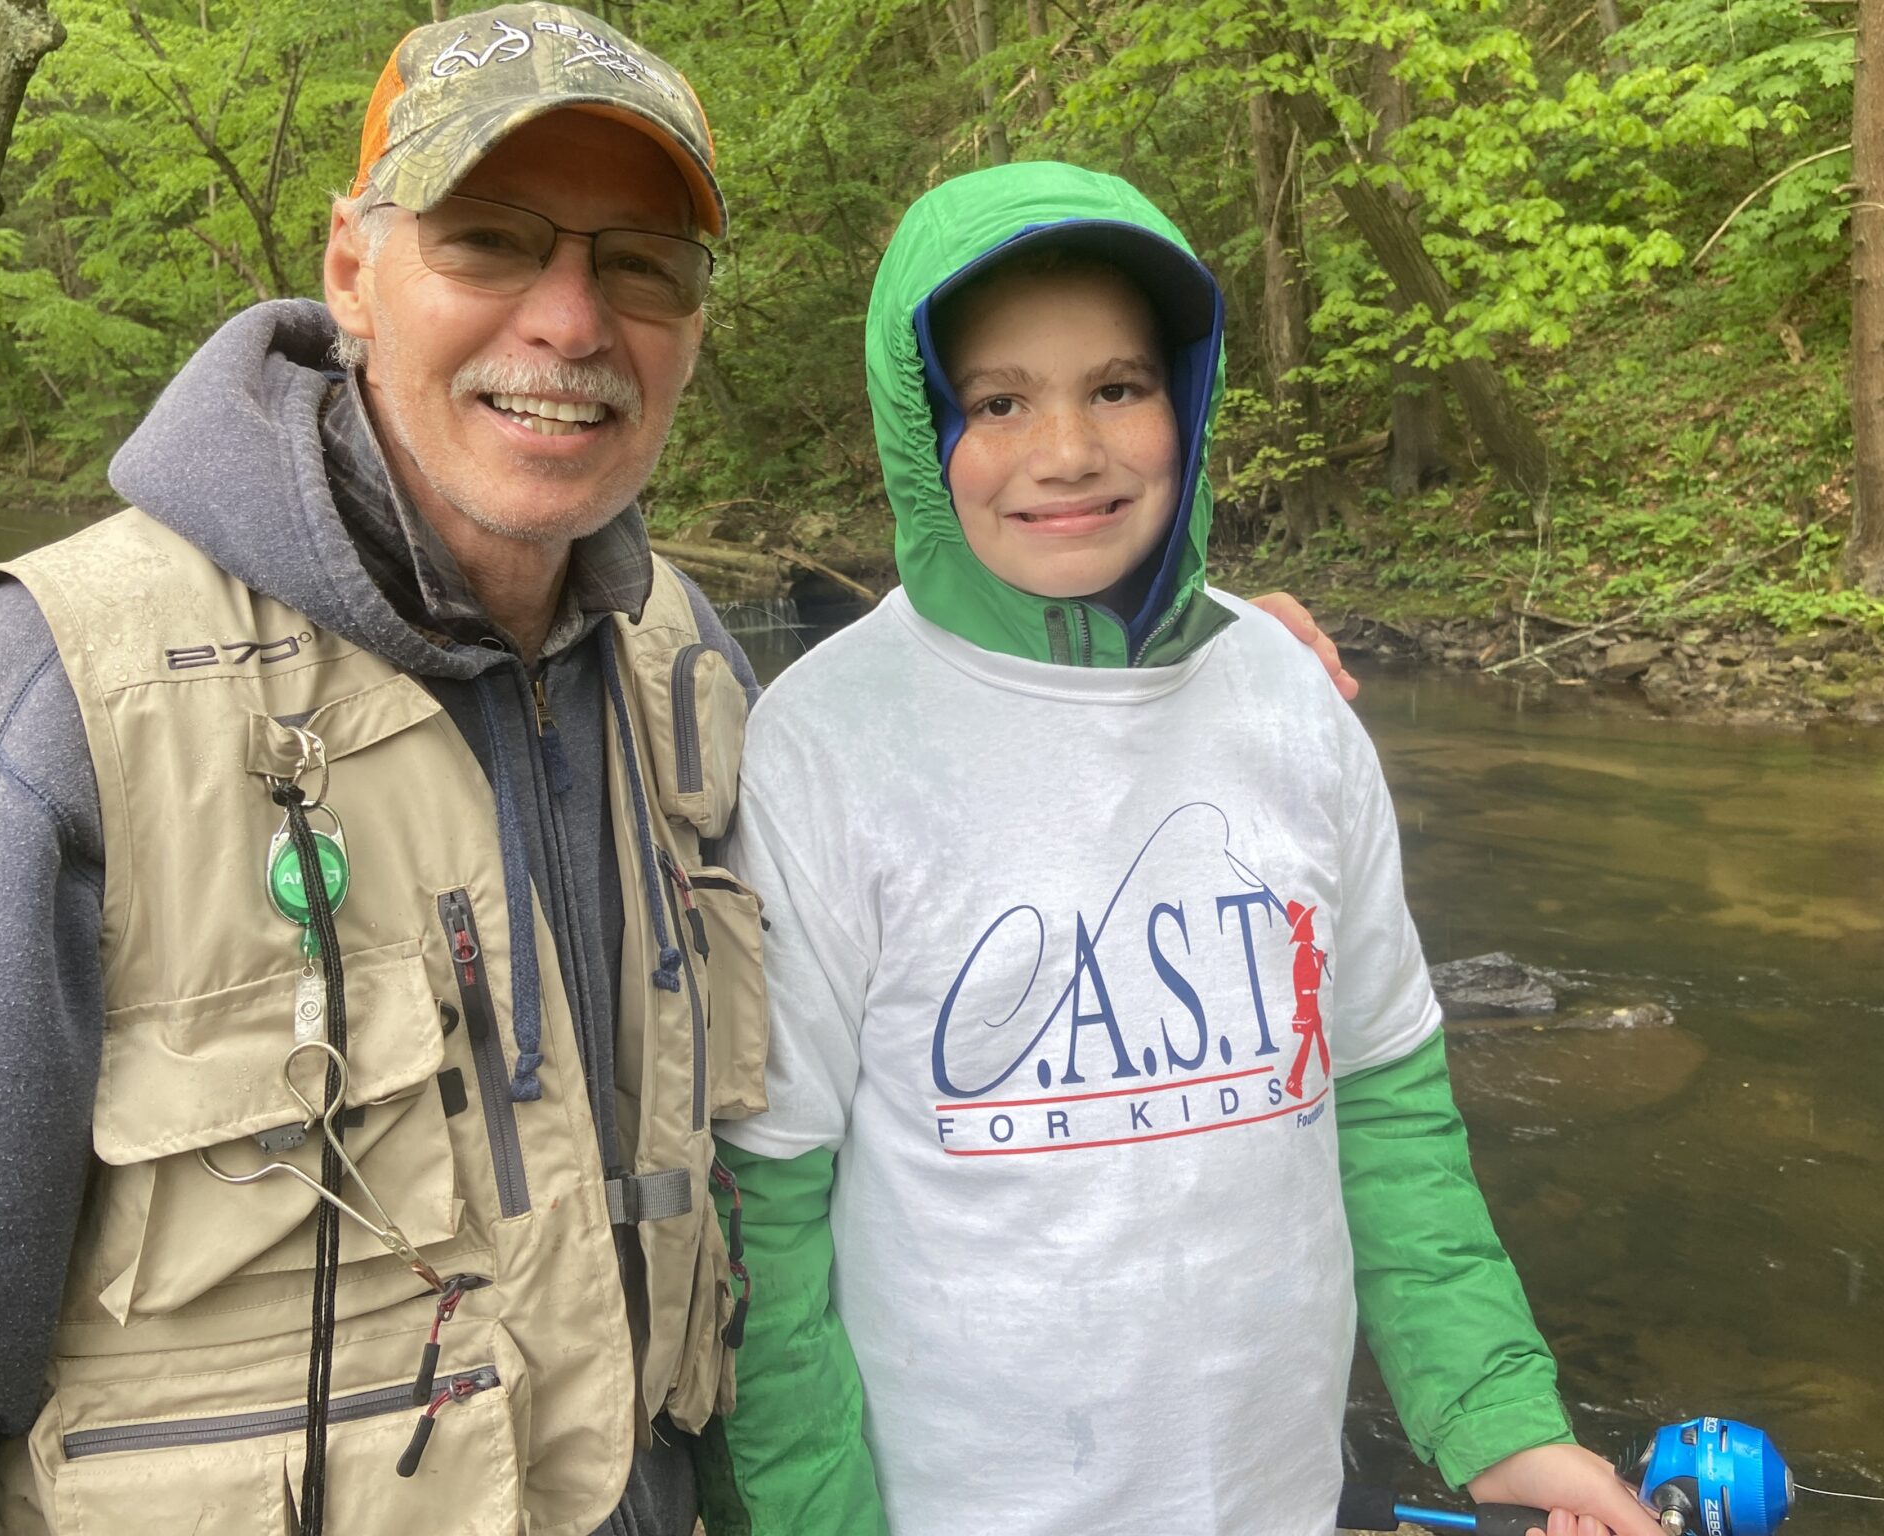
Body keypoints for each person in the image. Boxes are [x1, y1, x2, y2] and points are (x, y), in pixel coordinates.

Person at [0, 10, 1343, 1536]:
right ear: (352, 267)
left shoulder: (685, 661)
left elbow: (942, 899)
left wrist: (1176, 669)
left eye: (640, 263)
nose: (571, 320)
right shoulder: (54, 699)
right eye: (490, 240)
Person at [710, 163, 1665, 1536]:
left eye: (1117, 387)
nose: (1067, 451)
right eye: (997, 402)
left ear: (1188, 397)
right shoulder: (824, 744)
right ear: (922, 427)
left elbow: (1386, 1102)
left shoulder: (1290, 697)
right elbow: (766, 1215)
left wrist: (1497, 1414)